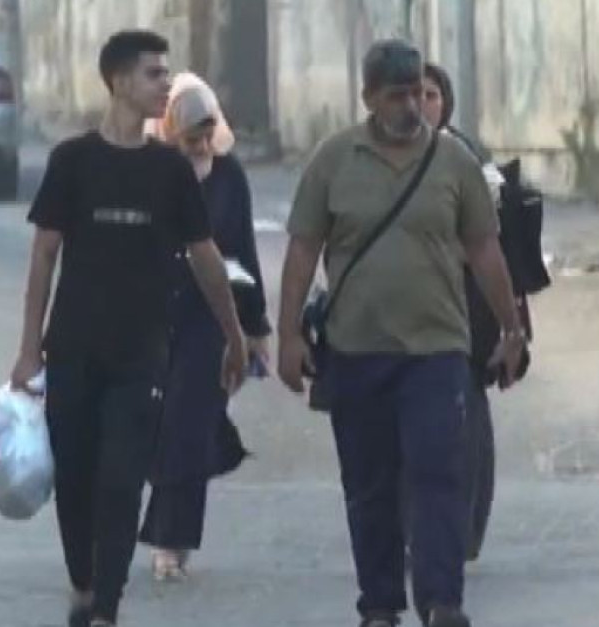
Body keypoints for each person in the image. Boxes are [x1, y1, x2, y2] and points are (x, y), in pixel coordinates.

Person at [276, 40, 526, 627]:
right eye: (397, 96)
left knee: (439, 475)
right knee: (370, 487)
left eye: (417, 93)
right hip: (356, 350)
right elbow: (303, 250)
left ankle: (442, 602)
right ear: (368, 97)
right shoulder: (334, 160)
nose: (411, 106)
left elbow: (485, 249)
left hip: (437, 350)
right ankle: (380, 606)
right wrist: (288, 336)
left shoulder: (454, 161)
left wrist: (512, 327)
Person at [8, 31, 248, 627]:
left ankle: (106, 610)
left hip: (141, 355)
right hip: (72, 349)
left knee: (121, 481)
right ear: (118, 81)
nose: (166, 84)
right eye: (153, 74)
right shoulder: (72, 161)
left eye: (165, 73)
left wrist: (235, 334)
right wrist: (28, 348)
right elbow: (44, 255)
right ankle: (85, 584)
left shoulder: (170, 170)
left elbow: (206, 256)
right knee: (76, 479)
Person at [138, 72, 272, 581]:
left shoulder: (229, 175)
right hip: (154, 314)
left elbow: (244, 250)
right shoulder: (149, 172)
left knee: (188, 426)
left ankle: (171, 540)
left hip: (211, 318)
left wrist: (255, 327)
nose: (198, 148)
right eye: (189, 139)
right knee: (156, 427)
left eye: (205, 137)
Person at [419, 62, 500, 563]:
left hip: (462, 310)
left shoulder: (464, 157)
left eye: (431, 94)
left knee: (465, 421)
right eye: (412, 93)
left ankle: (463, 532)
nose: (421, 104)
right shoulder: (373, 157)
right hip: (400, 315)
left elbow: (488, 244)